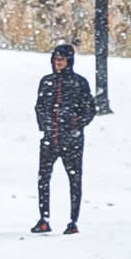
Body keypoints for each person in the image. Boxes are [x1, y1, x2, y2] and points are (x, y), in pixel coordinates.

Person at [31, 42, 97, 235]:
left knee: (74, 180)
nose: (58, 63)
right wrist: (45, 126)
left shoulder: (79, 83)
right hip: (50, 138)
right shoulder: (46, 82)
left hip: (72, 140)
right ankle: (44, 218)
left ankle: (72, 220)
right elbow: (40, 106)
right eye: (56, 59)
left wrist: (76, 124)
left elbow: (89, 108)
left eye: (62, 59)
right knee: (43, 178)